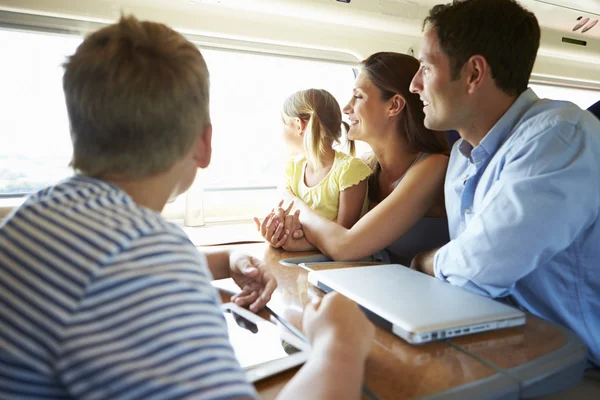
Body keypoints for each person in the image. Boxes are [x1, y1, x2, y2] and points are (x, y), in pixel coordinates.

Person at [0, 15, 375, 399]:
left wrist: (226, 258)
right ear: (203, 143)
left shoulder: (39, 211)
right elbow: (137, 268)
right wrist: (340, 345)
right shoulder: (145, 253)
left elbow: (108, 269)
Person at [408, 0, 600, 370]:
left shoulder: (561, 137)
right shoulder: (465, 153)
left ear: (474, 73)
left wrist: (424, 260)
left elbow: (475, 270)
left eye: (425, 67)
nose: (415, 84)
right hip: (502, 341)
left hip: (578, 364)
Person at [259, 52, 450, 265]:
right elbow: (336, 235)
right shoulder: (367, 167)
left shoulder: (433, 167)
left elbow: (345, 246)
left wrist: (291, 201)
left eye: (358, 96)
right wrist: (292, 239)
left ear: (394, 106)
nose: (346, 108)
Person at [254, 88, 372, 251]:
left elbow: (342, 239)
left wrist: (298, 241)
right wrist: (276, 234)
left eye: (283, 123)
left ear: (299, 125)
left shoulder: (349, 171)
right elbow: (287, 221)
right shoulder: (292, 169)